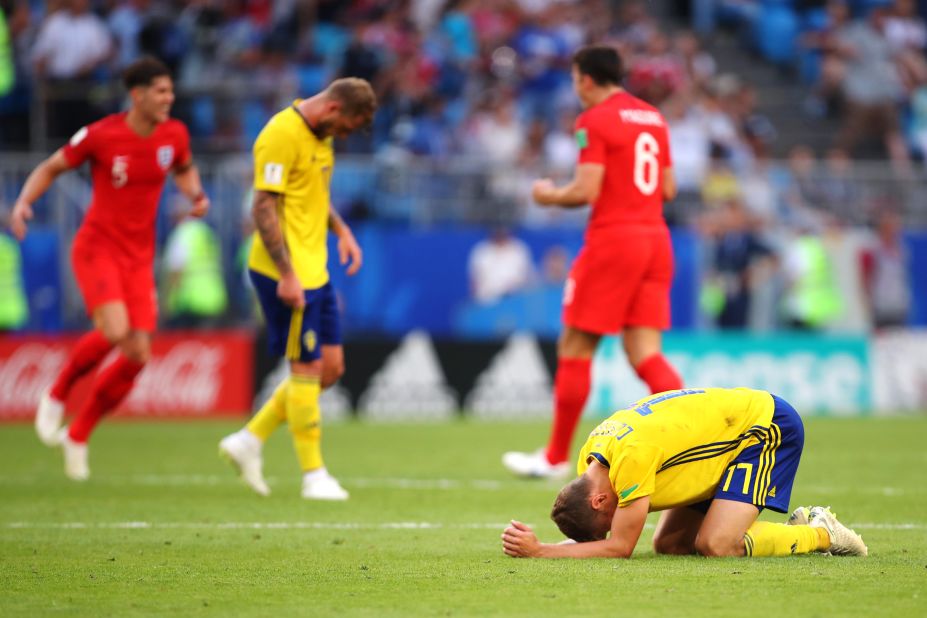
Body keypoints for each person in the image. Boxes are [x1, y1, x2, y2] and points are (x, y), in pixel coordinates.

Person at [9, 56, 209, 480]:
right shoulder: (102, 135)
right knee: (115, 330)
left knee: (137, 354)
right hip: (97, 247)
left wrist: (196, 196)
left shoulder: (174, 134)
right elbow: (51, 166)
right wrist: (25, 201)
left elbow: (185, 169)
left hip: (139, 257)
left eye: (171, 91)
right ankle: (59, 391)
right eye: (161, 91)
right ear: (137, 95)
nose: (169, 98)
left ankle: (78, 435)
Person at [503, 45, 683, 479]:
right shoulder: (653, 118)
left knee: (575, 346)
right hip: (656, 239)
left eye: (573, 78)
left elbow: (585, 190)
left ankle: (554, 457)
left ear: (585, 78)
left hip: (614, 241)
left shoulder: (594, 120)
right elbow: (669, 189)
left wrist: (547, 194)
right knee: (644, 351)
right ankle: (692, 443)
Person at [218, 78, 376, 501]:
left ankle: (250, 439)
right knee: (305, 370)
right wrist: (287, 274)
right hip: (282, 272)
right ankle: (314, 475)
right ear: (333, 110)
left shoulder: (322, 135)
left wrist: (342, 231)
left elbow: (314, 194)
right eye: (345, 128)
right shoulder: (280, 135)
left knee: (330, 370)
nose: (342, 137)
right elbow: (263, 205)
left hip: (316, 270)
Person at [501, 387, 868, 559]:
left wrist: (541, 551)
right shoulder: (591, 461)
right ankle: (795, 529)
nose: (618, 523)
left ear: (598, 501)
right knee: (670, 545)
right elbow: (611, 538)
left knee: (716, 545)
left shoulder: (630, 458)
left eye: (607, 521)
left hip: (762, 429)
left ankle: (821, 533)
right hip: (719, 443)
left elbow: (620, 547)